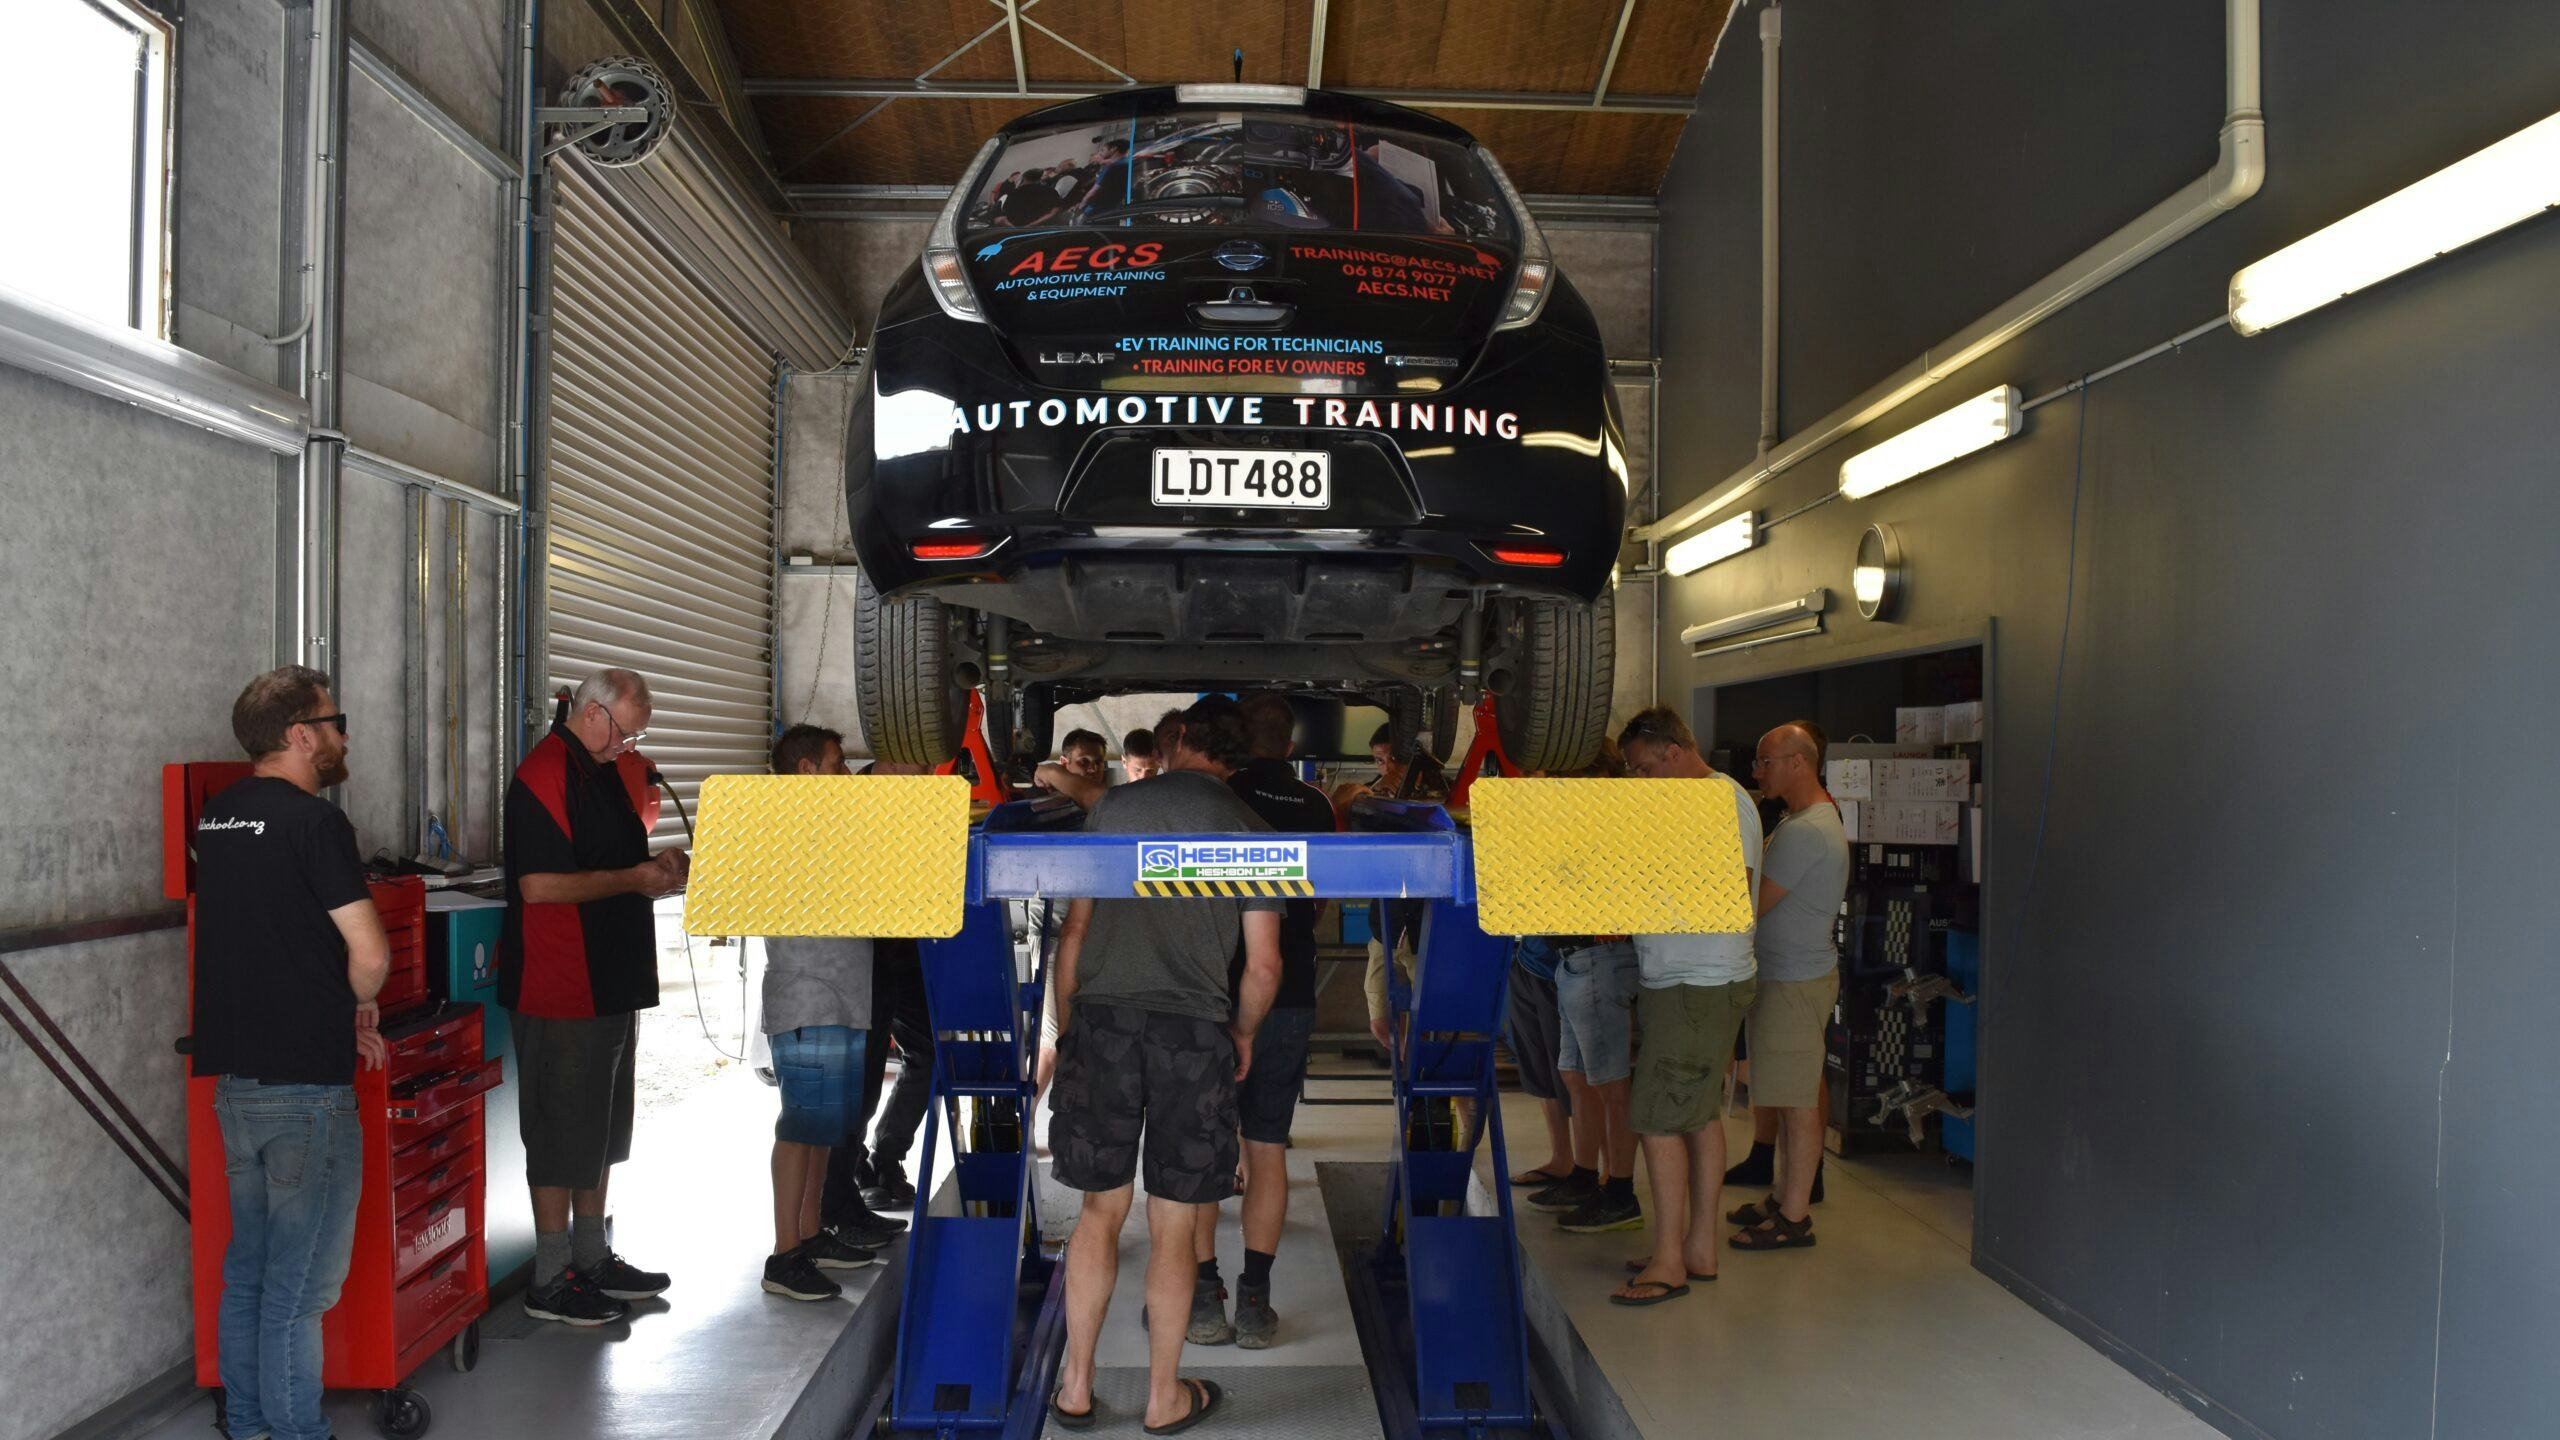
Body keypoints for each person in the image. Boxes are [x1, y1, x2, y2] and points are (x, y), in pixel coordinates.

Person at [1047, 697, 1284, 1433]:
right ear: (1235, 756)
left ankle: (1078, 1388)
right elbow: (1266, 967)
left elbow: (1076, 928)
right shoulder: (1251, 830)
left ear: (1176, 740)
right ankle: (1162, 1399)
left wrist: (1067, 1023)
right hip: (1192, 1034)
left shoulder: (1115, 809)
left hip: (1106, 1025)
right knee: (1175, 1225)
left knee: (1099, 1212)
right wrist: (1241, 1034)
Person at [192, 666, 389, 1440]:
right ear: (301, 735)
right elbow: (367, 953)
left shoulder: (218, 819)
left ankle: (248, 1426)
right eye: (334, 721)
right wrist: (358, 1004)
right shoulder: (316, 823)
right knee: (299, 1289)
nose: (343, 736)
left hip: (235, 1085)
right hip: (306, 1089)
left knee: (248, 1273)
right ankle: (300, 1433)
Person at [501, 668, 686, 1326]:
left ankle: (590, 1253)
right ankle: (550, 1279)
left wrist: (659, 867)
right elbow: (540, 888)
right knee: (558, 1132)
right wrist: (635, 877)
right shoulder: (544, 773)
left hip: (611, 978)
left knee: (602, 1129)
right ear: (593, 713)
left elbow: (611, 861)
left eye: (636, 739)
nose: (627, 748)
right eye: (624, 734)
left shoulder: (605, 769)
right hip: (559, 985)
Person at [1184, 692, 1339, 1348]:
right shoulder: (1315, 804)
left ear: (1240, 741)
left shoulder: (1216, 797)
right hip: (1291, 990)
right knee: (1267, 1147)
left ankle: (1201, 1295)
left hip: (1211, 994)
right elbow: (1323, 898)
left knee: (1197, 1152)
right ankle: (1255, 1300)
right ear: (1292, 744)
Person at [1609, 706, 1761, 1306]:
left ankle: (1670, 1261)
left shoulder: (1719, 803)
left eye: (1645, 770)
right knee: (1697, 1116)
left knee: (1656, 1117)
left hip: (1697, 984)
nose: (1641, 784)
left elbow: (1734, 888)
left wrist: (1642, 885)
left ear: (1673, 751)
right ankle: (1697, 1246)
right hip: (1688, 980)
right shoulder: (1690, 804)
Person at [759, 725, 887, 1301]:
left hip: (841, 996)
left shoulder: (832, 831)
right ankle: (784, 1254)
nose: (844, 776)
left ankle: (809, 1235)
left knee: (822, 1131)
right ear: (808, 771)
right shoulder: (783, 830)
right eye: (837, 766)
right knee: (800, 1127)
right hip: (807, 995)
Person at [1725, 721, 1850, 1251]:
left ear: (1799, 762)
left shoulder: (1807, 830)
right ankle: (1782, 1195)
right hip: (1789, 976)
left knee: (1797, 1103)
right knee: (1782, 1094)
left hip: (1795, 981)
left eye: (1766, 762)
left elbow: (1749, 904)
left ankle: (1794, 1217)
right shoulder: (1801, 820)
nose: (1758, 772)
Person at [822, 759, 933, 1233]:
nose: (929, 770)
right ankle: (846, 1188)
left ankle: (886, 1157)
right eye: (921, 761)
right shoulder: (846, 801)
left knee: (929, 1054)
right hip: (860, 958)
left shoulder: (925, 796)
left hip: (910, 951)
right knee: (859, 1080)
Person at [1504, 934, 1581, 1207]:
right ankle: (1562, 1158)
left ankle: (1602, 1174)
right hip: (1526, 961)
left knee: (1577, 1075)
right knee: (1540, 1071)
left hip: (1563, 966)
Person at [1033, 728, 1112, 810]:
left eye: (1098, 762)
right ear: (1064, 762)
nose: (1093, 769)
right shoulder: (1041, 800)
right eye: (1084, 761)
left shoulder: (1113, 799)